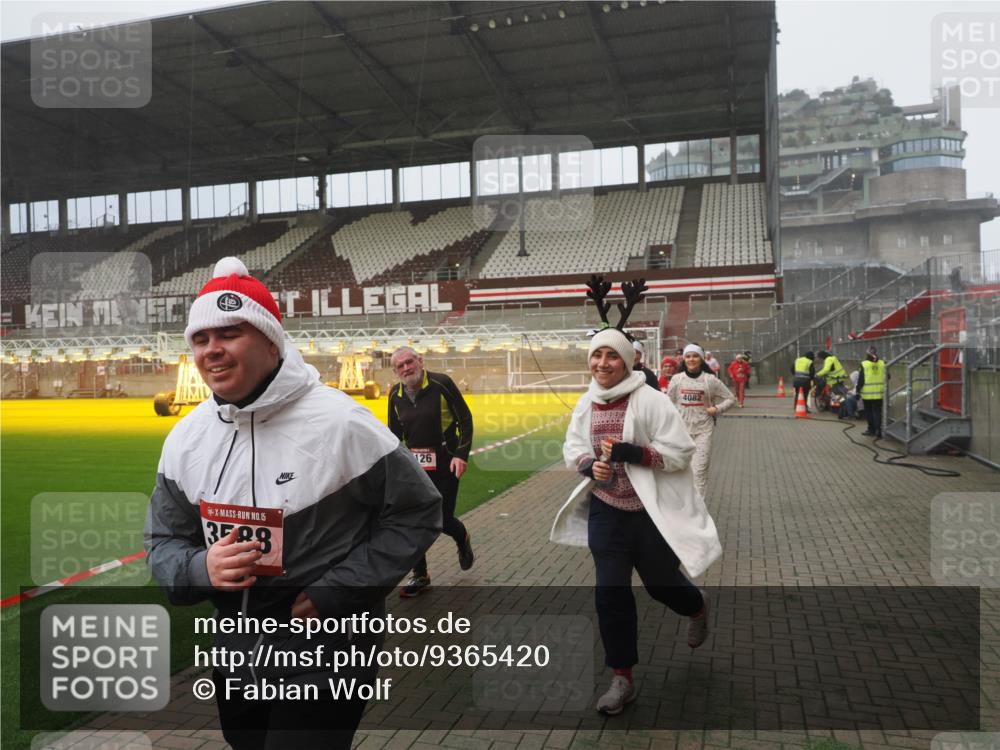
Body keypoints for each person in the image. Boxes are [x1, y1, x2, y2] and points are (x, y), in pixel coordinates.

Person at [145, 258, 442, 750]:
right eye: (200, 338)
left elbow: (418, 511)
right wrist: (201, 568)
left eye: (230, 333)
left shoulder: (343, 423)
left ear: (270, 341)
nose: (212, 349)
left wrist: (337, 592)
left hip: (327, 655)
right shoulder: (185, 439)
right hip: (236, 657)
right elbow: (163, 541)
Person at [553, 276, 720, 717]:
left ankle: (696, 605)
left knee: (661, 586)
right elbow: (573, 448)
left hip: (649, 514)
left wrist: (634, 453)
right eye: (597, 355)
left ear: (627, 361)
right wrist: (590, 466)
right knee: (610, 592)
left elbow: (680, 453)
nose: (603, 363)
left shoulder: (652, 401)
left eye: (612, 355)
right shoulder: (586, 402)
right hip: (607, 512)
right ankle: (621, 678)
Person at [388, 346, 475, 598]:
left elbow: (465, 419)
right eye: (400, 366)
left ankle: (462, 536)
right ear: (395, 371)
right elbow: (393, 434)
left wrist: (461, 455)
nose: (406, 368)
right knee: (414, 520)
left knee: (442, 520)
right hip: (415, 468)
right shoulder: (395, 394)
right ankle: (420, 574)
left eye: (409, 362)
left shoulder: (441, 383)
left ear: (420, 361)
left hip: (447, 463)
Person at [666, 344, 737, 498]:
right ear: (684, 359)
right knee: (680, 471)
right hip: (681, 433)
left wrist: (716, 409)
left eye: (695, 356)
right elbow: (667, 403)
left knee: (699, 471)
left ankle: (698, 508)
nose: (691, 359)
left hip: (703, 431)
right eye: (688, 356)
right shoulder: (677, 379)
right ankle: (683, 505)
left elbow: (731, 399)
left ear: (702, 359)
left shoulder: (710, 380)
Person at [857, 346, 886, 438]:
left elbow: (861, 379)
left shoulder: (864, 364)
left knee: (869, 412)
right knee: (877, 412)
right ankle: (879, 430)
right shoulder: (882, 363)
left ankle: (871, 430)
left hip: (867, 393)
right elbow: (888, 376)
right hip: (879, 393)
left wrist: (857, 390)